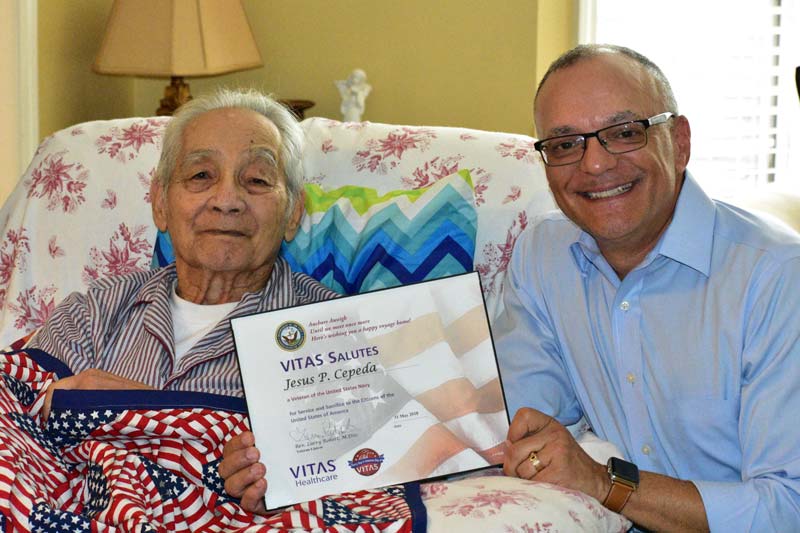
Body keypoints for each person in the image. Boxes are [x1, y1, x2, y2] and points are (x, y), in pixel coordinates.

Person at [496, 44, 800, 531]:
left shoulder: (778, 277)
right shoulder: (541, 257)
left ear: (679, 141)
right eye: (565, 144)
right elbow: (536, 430)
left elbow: (789, 507)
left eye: (623, 132)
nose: (594, 165)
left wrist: (604, 482)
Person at [27, 88, 338, 419]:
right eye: (201, 175)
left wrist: (143, 410)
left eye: (257, 180)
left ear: (292, 212)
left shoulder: (334, 335)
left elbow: (354, 461)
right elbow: (16, 429)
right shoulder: (89, 317)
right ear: (160, 203)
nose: (227, 200)